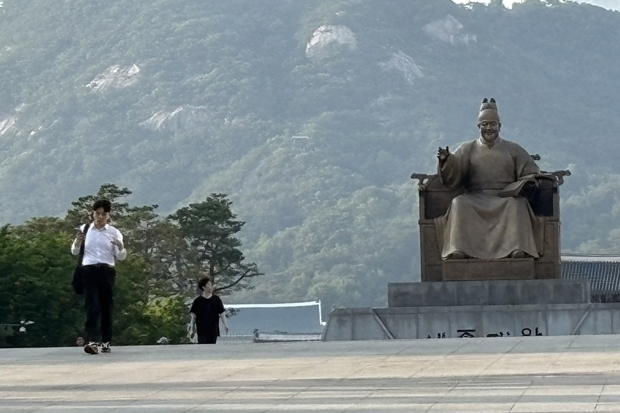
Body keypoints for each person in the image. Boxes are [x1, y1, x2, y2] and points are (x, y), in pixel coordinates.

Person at [435, 98, 544, 260]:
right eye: (485, 124)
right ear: (479, 127)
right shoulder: (467, 148)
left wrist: (524, 183)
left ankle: (517, 248)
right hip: (475, 197)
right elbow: (454, 172)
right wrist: (446, 160)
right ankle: (458, 249)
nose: (489, 128)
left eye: (493, 124)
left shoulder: (513, 149)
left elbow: (531, 171)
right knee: (459, 203)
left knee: (518, 204)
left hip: (505, 197)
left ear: (500, 126)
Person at [71, 199, 126, 355]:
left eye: (103, 214)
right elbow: (75, 251)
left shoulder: (113, 232)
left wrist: (121, 247)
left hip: (106, 270)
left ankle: (106, 341)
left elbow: (120, 257)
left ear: (108, 215)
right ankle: (92, 340)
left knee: (106, 306)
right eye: (97, 213)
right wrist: (77, 242)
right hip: (88, 270)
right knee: (92, 305)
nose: (100, 217)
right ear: (92, 213)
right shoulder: (85, 229)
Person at [189, 277, 229, 344]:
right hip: (201, 330)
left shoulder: (216, 300)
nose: (211, 287)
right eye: (209, 285)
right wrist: (192, 329)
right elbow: (193, 316)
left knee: (211, 346)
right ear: (203, 287)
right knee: (202, 345)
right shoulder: (198, 301)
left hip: (213, 329)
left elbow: (222, 313)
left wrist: (225, 324)